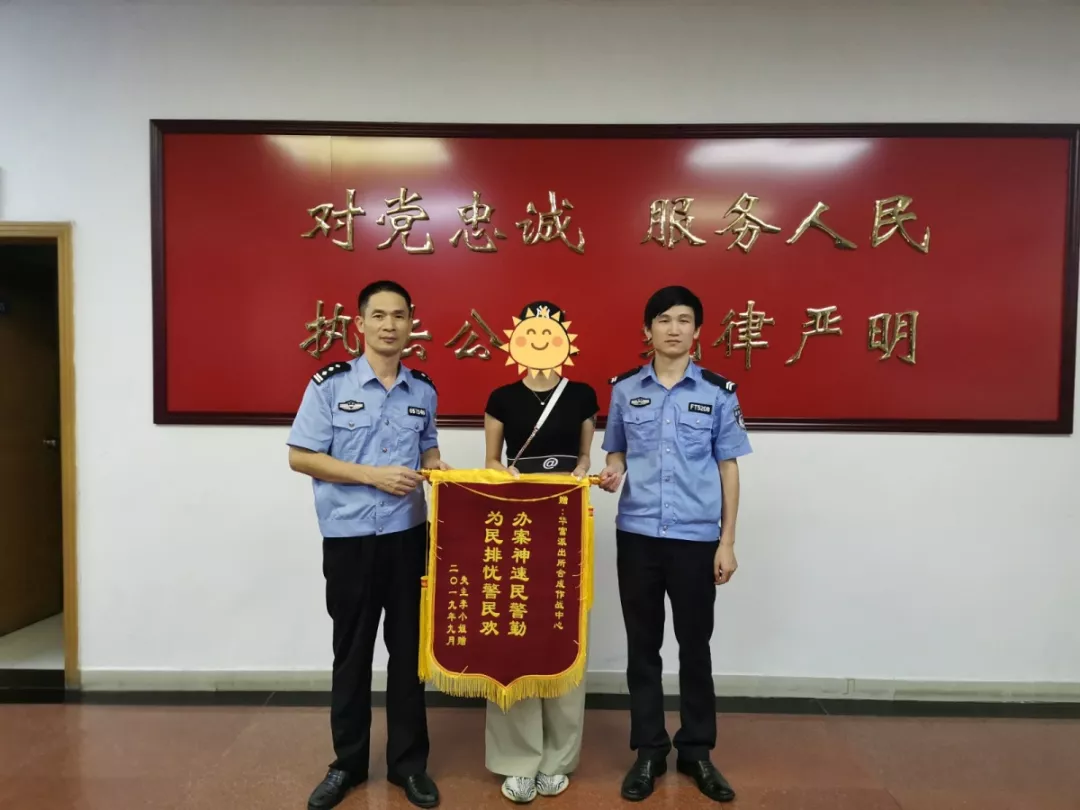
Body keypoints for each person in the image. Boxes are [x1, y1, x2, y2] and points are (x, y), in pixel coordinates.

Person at [287, 279, 449, 810]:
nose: (389, 325)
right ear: (359, 324)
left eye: (399, 316)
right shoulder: (329, 385)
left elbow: (428, 448)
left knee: (409, 655)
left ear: (411, 324)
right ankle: (348, 764)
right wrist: (372, 476)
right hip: (350, 539)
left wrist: (436, 466)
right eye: (378, 315)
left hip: (408, 538)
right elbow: (301, 456)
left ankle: (408, 765)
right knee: (352, 654)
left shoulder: (422, 390)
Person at [598, 285, 751, 804]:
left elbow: (729, 468)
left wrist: (727, 541)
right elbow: (617, 452)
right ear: (648, 330)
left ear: (697, 331)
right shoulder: (625, 390)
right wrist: (612, 471)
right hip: (638, 536)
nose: (673, 328)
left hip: (695, 540)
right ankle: (648, 751)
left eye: (684, 320)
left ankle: (696, 751)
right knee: (643, 649)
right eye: (663, 319)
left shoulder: (717, 392)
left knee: (694, 647)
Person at [482, 300, 600, 804]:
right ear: (516, 339)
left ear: (565, 339)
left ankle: (558, 758)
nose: (539, 339)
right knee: (514, 632)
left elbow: (586, 456)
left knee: (563, 632)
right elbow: (491, 460)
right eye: (530, 331)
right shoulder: (501, 397)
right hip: (517, 521)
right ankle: (517, 758)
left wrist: (582, 472)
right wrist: (505, 475)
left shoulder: (583, 395)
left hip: (568, 520)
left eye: (550, 331)